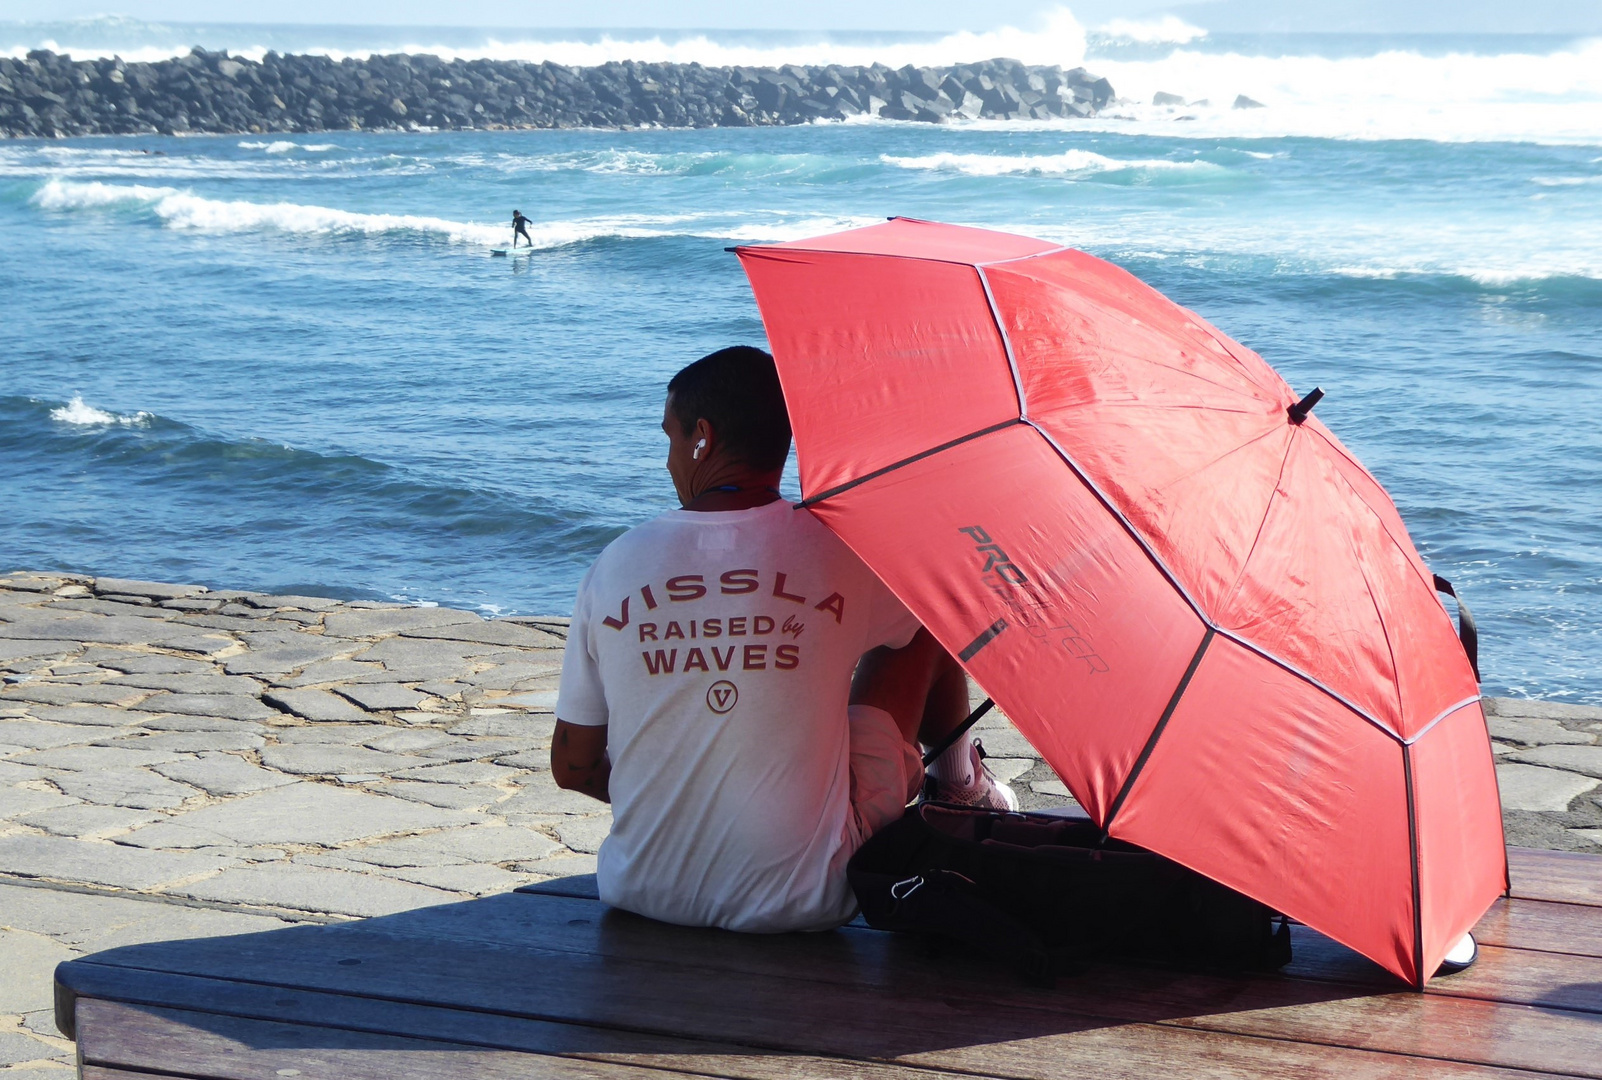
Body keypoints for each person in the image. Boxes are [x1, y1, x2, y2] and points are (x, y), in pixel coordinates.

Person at [551, 345, 1017, 934]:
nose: (669, 459)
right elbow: (946, 609)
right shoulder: (840, 552)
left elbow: (571, 765)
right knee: (922, 613)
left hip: (641, 888)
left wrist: (681, 803)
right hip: (805, 900)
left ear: (702, 436)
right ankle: (959, 784)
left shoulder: (616, 563)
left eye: (670, 437)